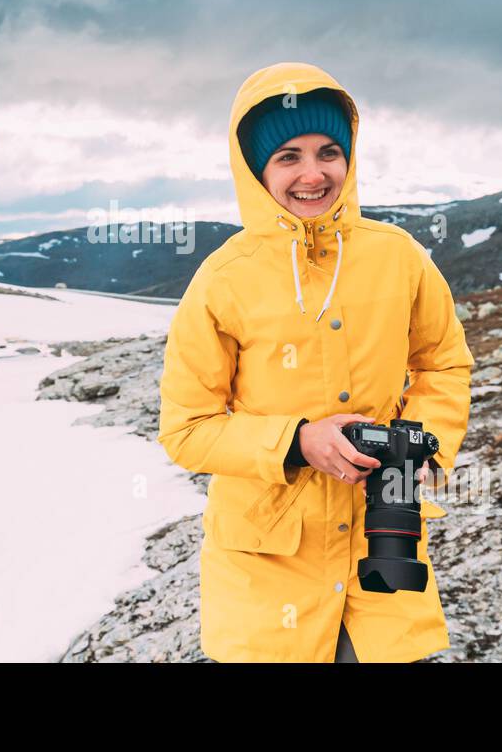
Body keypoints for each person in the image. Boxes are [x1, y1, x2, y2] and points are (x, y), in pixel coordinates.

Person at [158, 61, 474, 663]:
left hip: (384, 544)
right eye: (288, 157)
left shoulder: (398, 256)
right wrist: (298, 442)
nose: (313, 173)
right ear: (256, 169)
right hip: (265, 572)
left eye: (329, 151)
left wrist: (423, 442)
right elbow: (185, 429)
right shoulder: (222, 281)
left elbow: (444, 363)